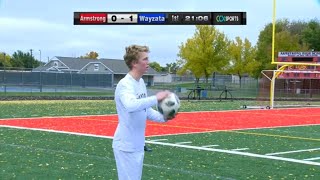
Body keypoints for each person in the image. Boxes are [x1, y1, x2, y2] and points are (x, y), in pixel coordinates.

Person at [112, 44, 173, 180]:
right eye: (145, 59)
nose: (148, 62)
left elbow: (145, 110)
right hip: (126, 145)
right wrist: (156, 97)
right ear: (134, 63)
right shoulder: (125, 84)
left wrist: (164, 117)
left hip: (138, 144)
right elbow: (131, 105)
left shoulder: (140, 83)